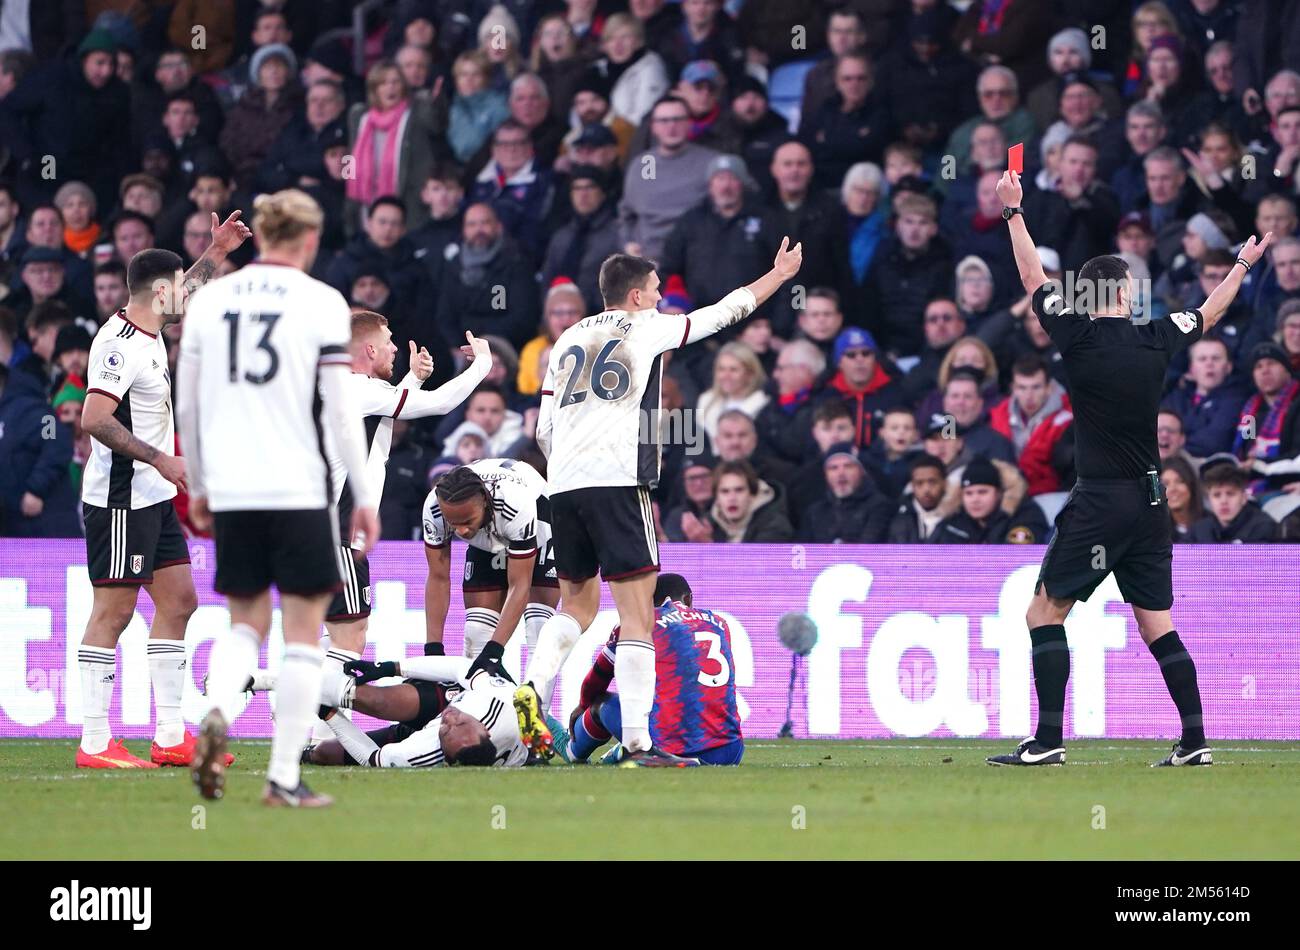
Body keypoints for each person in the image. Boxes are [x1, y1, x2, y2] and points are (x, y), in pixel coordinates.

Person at [986, 166, 1274, 768]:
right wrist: (1243, 266)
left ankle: (1046, 740)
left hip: (1101, 500)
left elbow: (1032, 275)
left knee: (1043, 612)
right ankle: (1195, 742)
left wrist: (1014, 212)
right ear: (1127, 292)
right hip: (1152, 502)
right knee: (1156, 625)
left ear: (1088, 296)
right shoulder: (1157, 336)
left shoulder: (1077, 337)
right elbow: (1210, 313)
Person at [518, 237, 802, 767]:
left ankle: (532, 688)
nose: (659, 299)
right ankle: (640, 744)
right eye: (653, 290)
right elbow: (725, 312)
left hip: (563, 484)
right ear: (634, 296)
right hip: (619, 482)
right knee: (635, 615)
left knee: (576, 605)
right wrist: (778, 276)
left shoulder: (562, 342)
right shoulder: (647, 328)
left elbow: (545, 430)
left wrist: (570, 469)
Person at [178, 190, 381, 808]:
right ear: (311, 238)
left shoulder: (211, 301)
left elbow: (189, 401)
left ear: (261, 235)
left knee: (245, 623)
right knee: (300, 633)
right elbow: (343, 411)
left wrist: (204, 485)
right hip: (300, 485)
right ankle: (284, 778)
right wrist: (365, 497)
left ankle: (216, 711)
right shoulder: (322, 303)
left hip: (235, 483)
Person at [74, 211, 251, 771]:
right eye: (178, 286)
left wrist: (216, 250)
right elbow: (93, 418)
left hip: (151, 494)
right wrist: (162, 458)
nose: (186, 294)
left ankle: (170, 733)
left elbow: (186, 290)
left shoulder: (150, 329)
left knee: (179, 601)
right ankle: (95, 742)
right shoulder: (120, 345)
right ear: (158, 290)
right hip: (121, 497)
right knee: (114, 609)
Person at [316, 311, 493, 722]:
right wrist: (482, 364)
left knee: (331, 635)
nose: (396, 347)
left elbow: (382, 416)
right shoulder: (358, 389)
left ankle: (313, 730)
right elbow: (441, 403)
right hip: (338, 534)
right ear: (370, 348)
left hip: (319, 530)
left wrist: (410, 379)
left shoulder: (350, 389)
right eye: (389, 340)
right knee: (351, 637)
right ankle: (296, 710)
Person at [566, 572, 743, 765]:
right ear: (689, 598)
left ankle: (573, 751)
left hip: (668, 750)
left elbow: (597, 679)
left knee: (602, 702)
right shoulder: (719, 623)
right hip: (730, 751)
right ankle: (622, 752)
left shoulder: (641, 624)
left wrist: (583, 705)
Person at [421, 460, 560, 684]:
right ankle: (479, 711)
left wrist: (495, 650)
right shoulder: (434, 508)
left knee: (538, 627)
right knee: (476, 633)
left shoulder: (515, 504)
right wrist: (433, 650)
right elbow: (438, 578)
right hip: (488, 535)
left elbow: (520, 585)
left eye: (466, 521)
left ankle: (538, 710)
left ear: (485, 502)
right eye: (453, 524)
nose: (461, 531)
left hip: (539, 524)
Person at [928, 455, 1048, 544]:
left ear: (999, 493)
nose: (975, 499)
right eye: (969, 493)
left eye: (982, 492)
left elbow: (1020, 558)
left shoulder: (1025, 515)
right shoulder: (952, 522)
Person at [1188, 458, 1279, 542]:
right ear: (1209, 499)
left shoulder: (1263, 527)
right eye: (1217, 495)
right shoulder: (1198, 531)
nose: (1223, 501)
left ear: (1244, 497)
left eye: (1230, 494)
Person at [888, 453, 948, 543]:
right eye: (919, 483)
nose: (926, 489)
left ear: (945, 483)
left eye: (932, 482)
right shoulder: (898, 520)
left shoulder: (961, 520)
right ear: (912, 486)